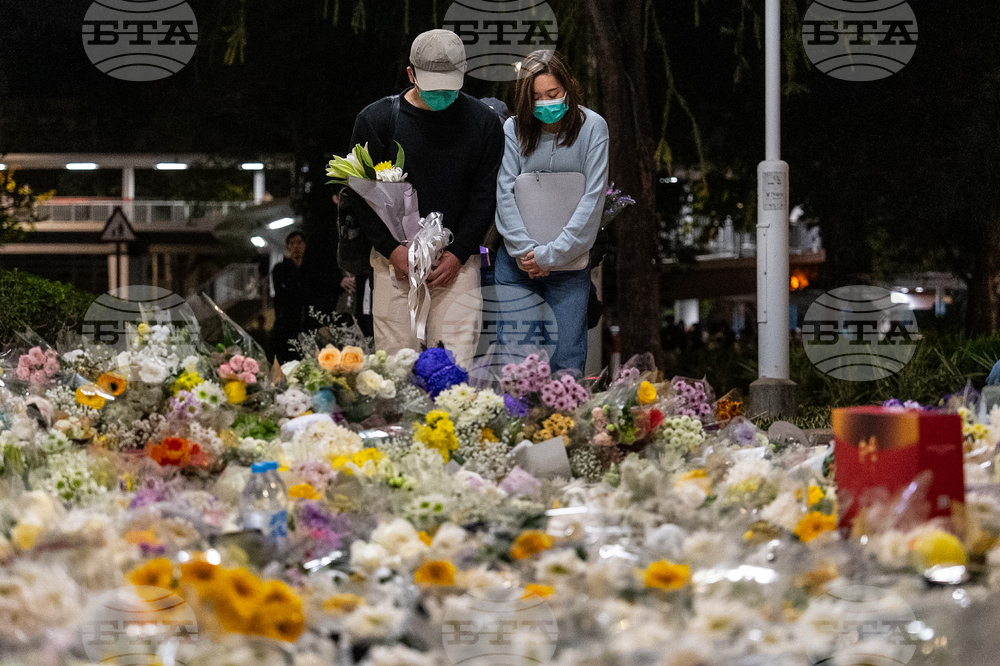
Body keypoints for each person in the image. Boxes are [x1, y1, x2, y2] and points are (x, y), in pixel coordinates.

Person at [349, 29, 504, 368]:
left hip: (457, 266)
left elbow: (485, 195)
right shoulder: (376, 120)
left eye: (449, 87)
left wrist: (460, 253)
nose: (441, 96)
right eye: (433, 87)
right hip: (395, 265)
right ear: (411, 74)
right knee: (395, 368)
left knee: (453, 367)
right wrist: (393, 251)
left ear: (463, 73)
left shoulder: (485, 123)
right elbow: (360, 195)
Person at [494, 50, 610, 374]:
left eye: (553, 94)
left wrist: (552, 255)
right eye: (535, 97)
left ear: (569, 88)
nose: (545, 103)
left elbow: (593, 199)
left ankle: (565, 425)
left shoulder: (593, 128)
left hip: (570, 265)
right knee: (518, 361)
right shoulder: (513, 129)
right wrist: (526, 252)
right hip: (517, 265)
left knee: (567, 358)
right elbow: (504, 193)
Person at [271, 231, 312, 363]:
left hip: (308, 322)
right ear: (288, 246)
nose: (296, 246)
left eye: (299, 242)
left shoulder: (311, 267)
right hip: (287, 324)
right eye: (292, 243)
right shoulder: (280, 268)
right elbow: (281, 295)